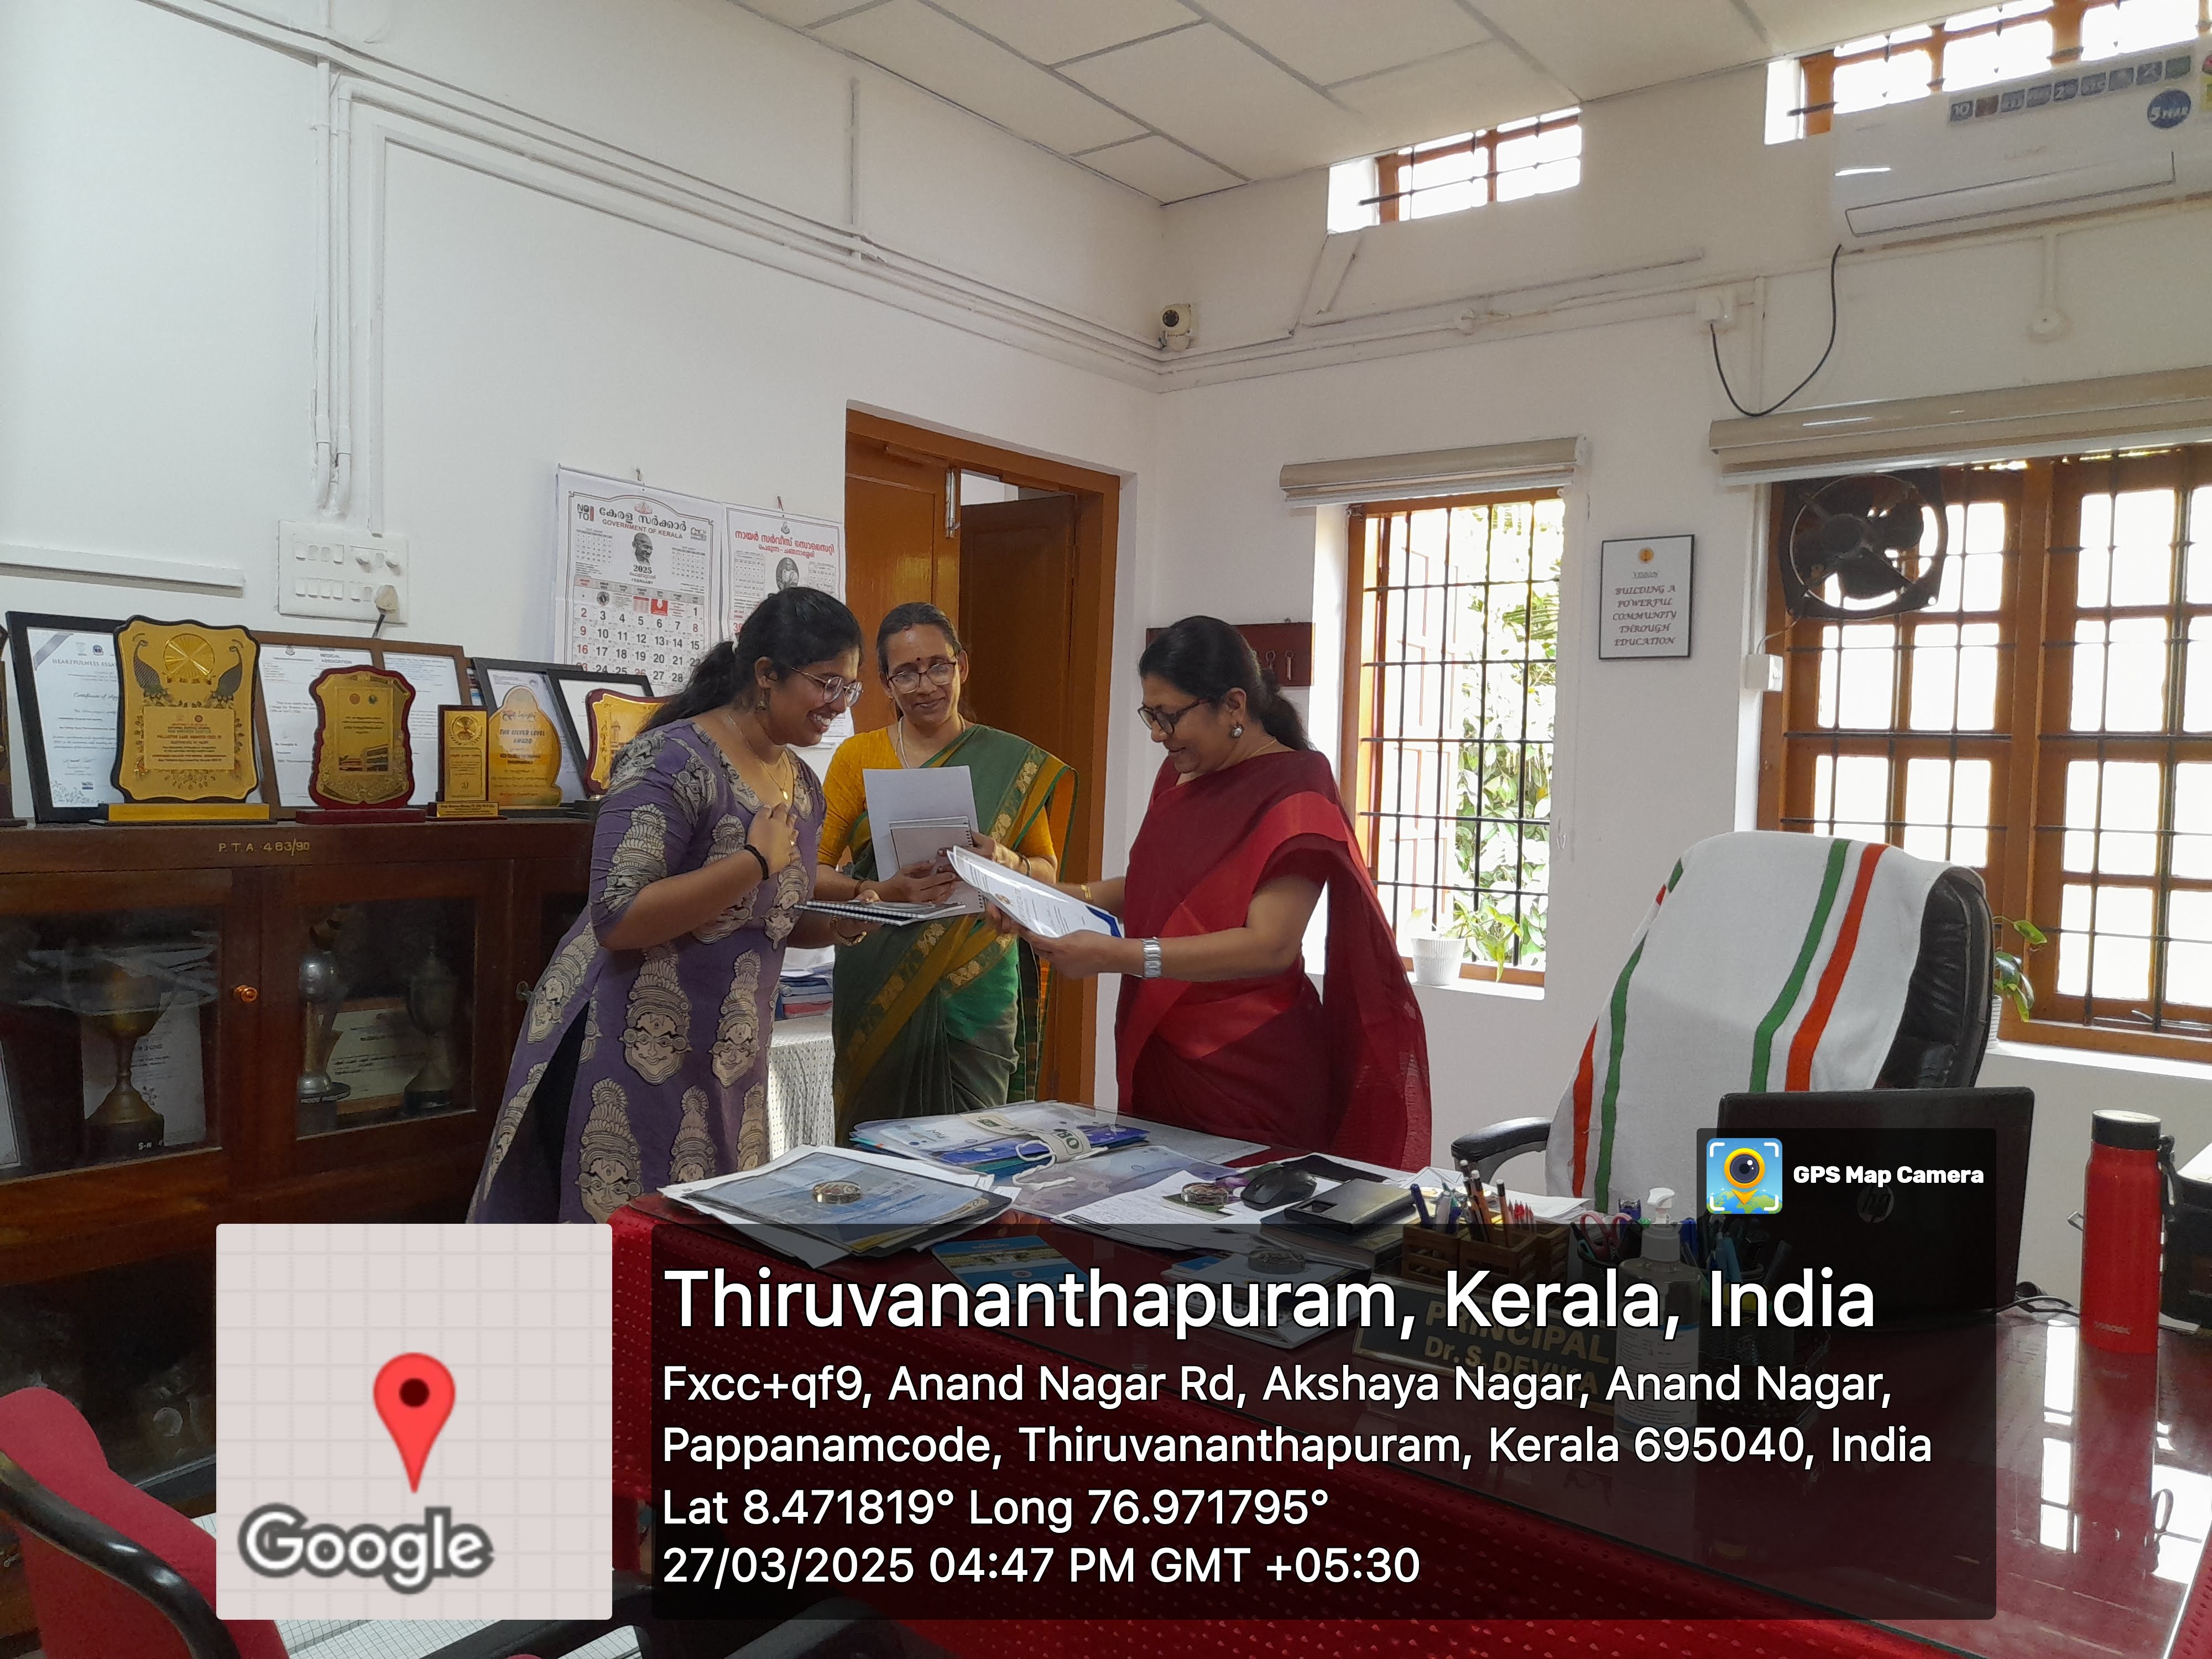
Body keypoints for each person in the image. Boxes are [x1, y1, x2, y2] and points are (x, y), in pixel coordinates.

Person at [469, 587, 875, 1223]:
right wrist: (753, 861)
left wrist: (844, 922)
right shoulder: (672, 758)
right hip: (627, 1050)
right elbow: (618, 915)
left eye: (849, 687)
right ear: (766, 674)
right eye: (826, 684)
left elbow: (766, 920)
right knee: (626, 1245)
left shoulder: (800, 785)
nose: (838, 704)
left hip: (727, 1062)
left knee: (704, 1242)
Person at [992, 616, 1429, 1167]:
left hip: (1252, 1066)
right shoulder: (1178, 774)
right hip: (1162, 1049)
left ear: (1234, 706)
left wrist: (1118, 955)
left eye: (1169, 716)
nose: (1157, 734)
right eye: (1150, 715)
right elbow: (1156, 890)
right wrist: (1046, 897)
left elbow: (1269, 945)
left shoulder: (1298, 787)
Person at [816, 602, 1073, 1133]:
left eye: (938, 666)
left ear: (963, 666)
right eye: (906, 673)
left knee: (978, 1143)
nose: (925, 685)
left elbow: (1047, 874)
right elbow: (810, 872)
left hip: (978, 976)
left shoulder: (1011, 761)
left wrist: (1003, 859)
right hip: (879, 973)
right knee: (878, 1139)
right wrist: (880, 890)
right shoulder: (857, 758)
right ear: (886, 684)